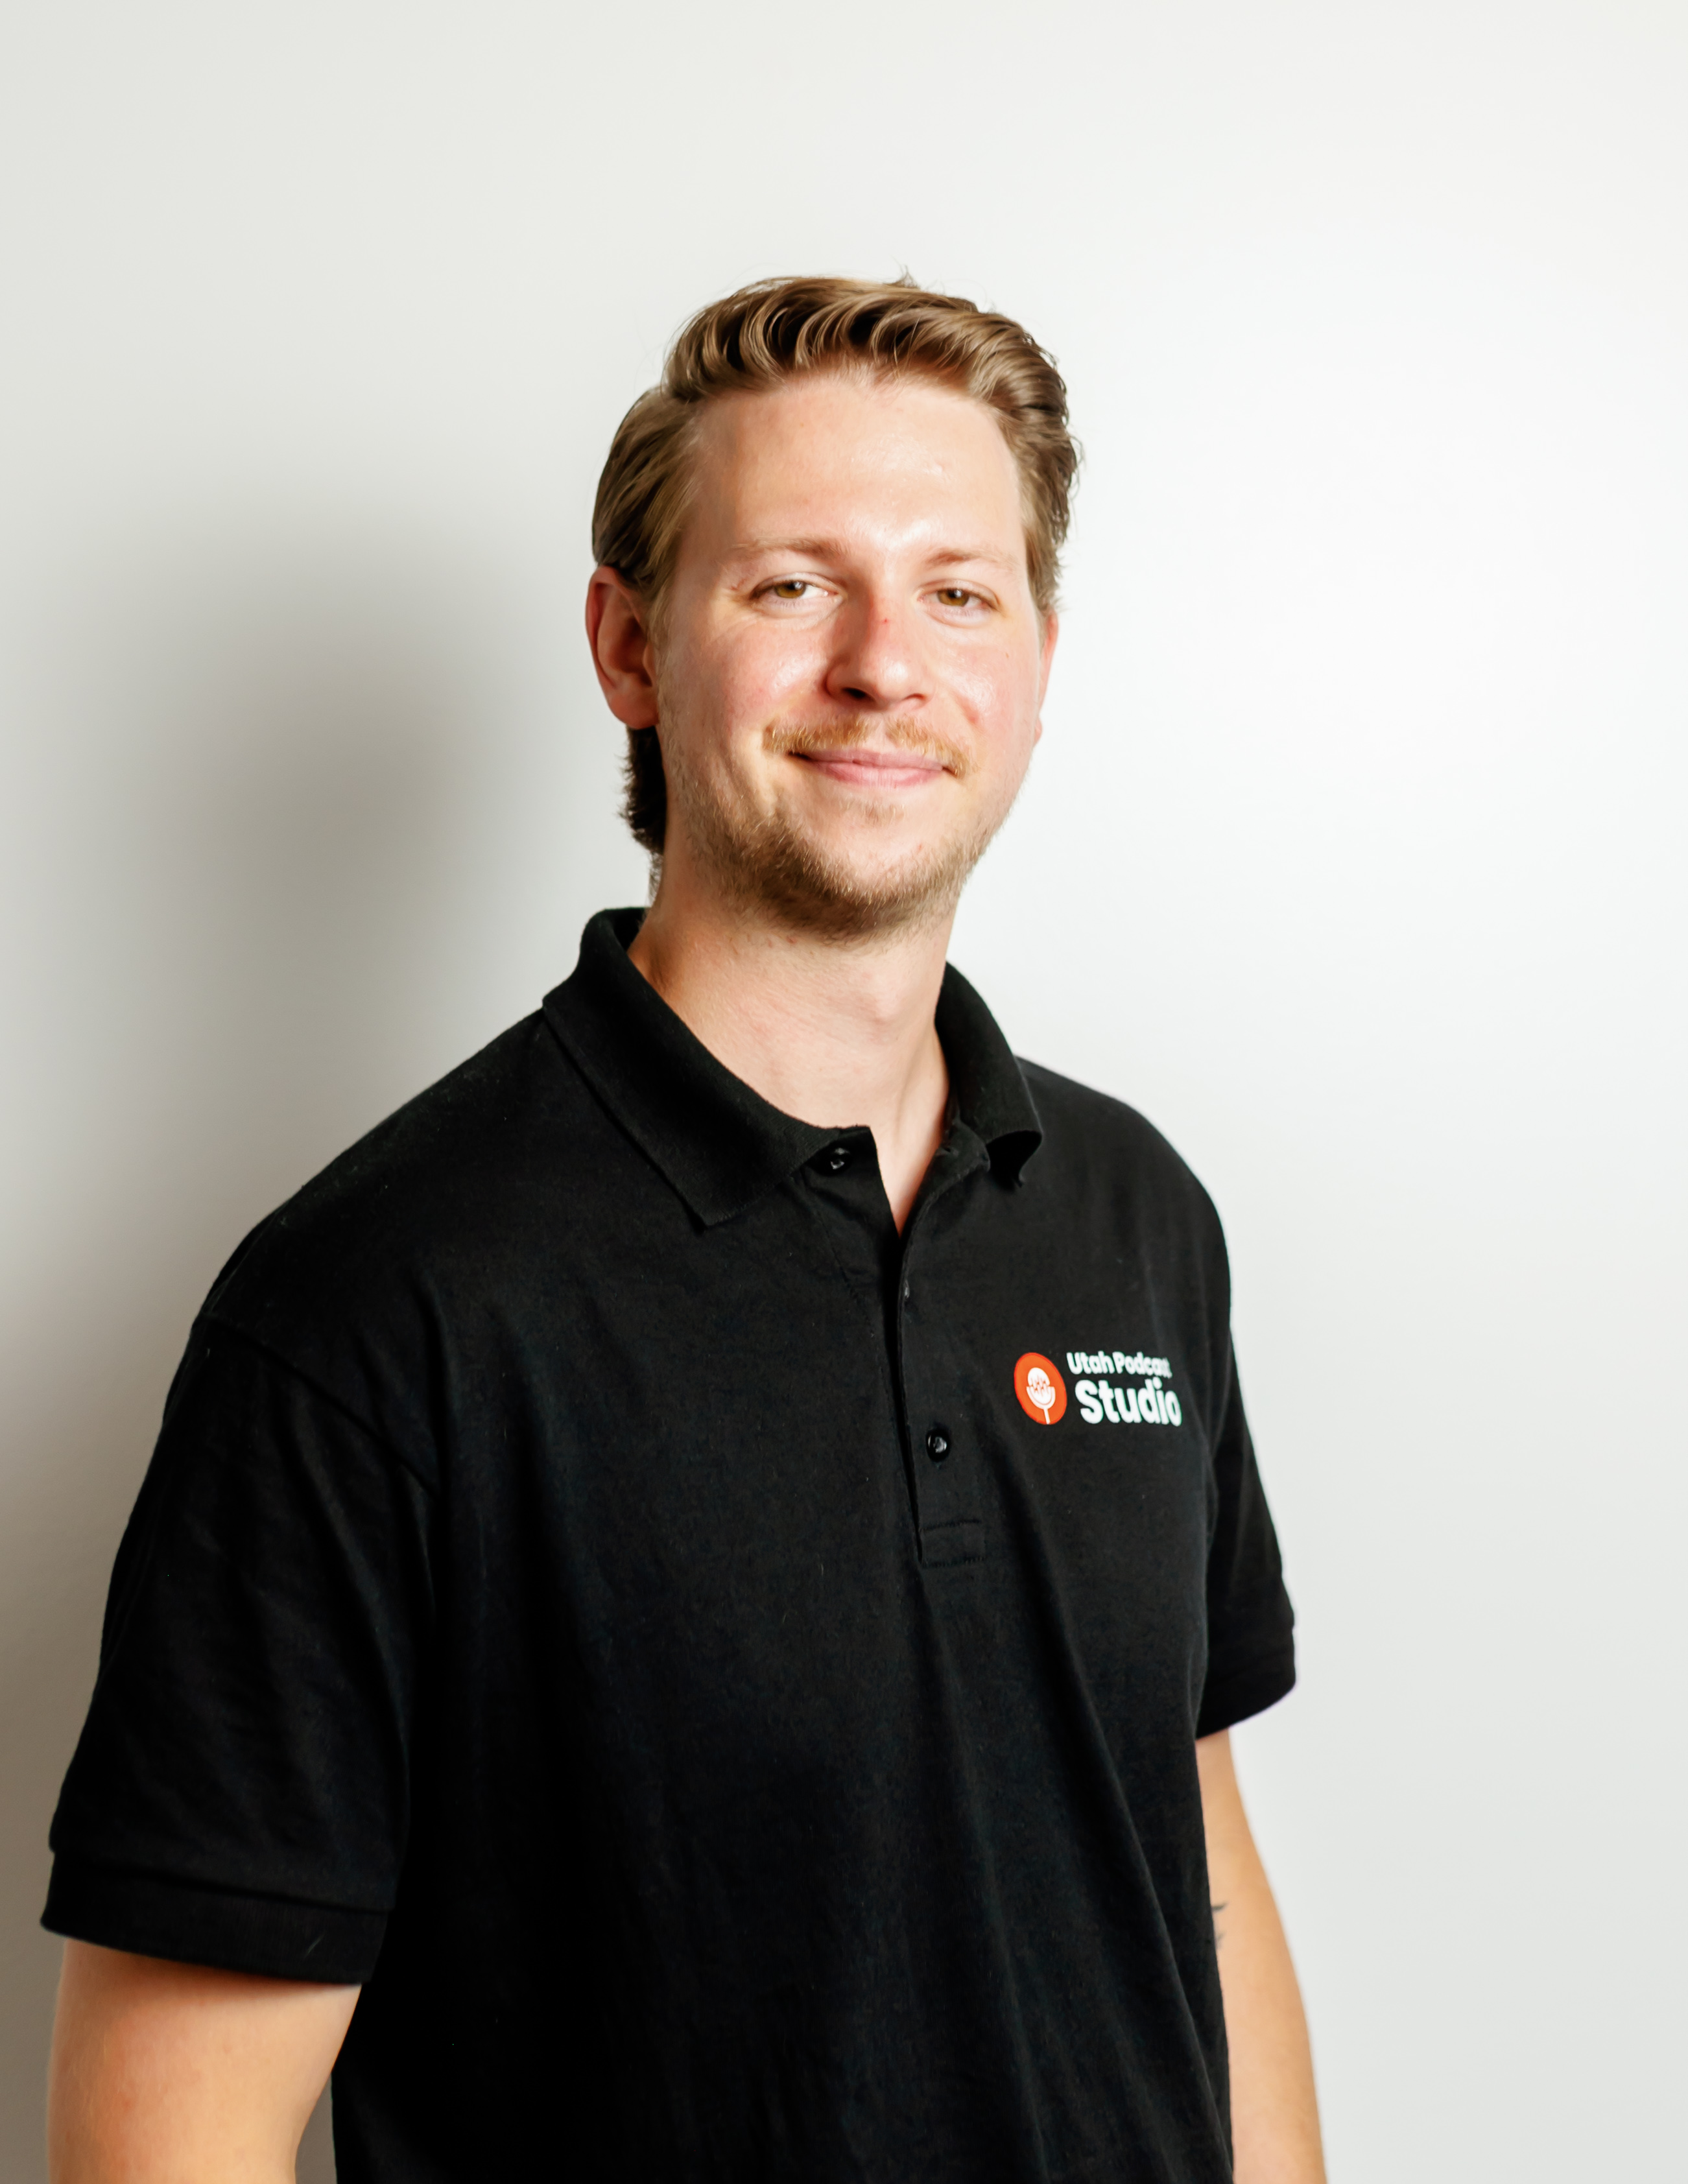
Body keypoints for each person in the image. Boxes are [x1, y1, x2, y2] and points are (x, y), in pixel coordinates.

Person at [43, 276, 1326, 2184]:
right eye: (793, 584)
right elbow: (173, 2140)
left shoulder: (1134, 1217)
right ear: (630, 645)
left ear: (1038, 665)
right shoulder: (373, 1307)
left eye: (958, 593)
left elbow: (1187, 1855)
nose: (884, 664)